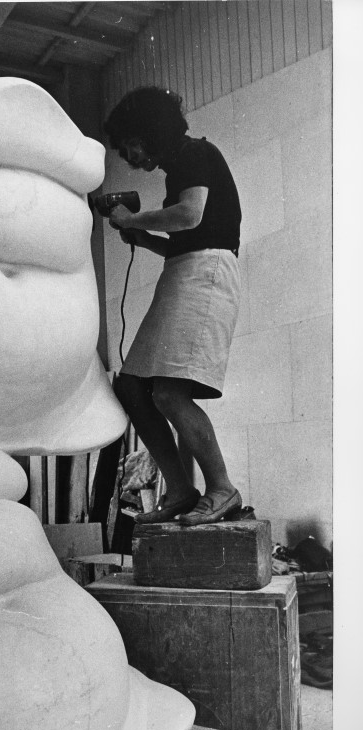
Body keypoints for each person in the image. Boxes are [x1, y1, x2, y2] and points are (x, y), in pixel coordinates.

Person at [104, 86, 242, 525]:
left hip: (207, 274)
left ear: (147, 130)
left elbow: (190, 217)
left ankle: (222, 488)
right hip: (186, 270)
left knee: (167, 391)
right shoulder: (177, 168)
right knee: (131, 386)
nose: (129, 158)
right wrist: (143, 238)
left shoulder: (195, 154)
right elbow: (184, 241)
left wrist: (133, 220)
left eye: (129, 146)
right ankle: (181, 488)